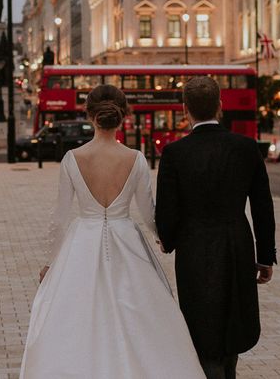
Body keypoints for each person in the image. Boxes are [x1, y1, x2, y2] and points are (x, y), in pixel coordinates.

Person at [20, 85, 205, 379]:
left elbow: (60, 217)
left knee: (76, 317)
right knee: (140, 316)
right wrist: (164, 238)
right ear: (123, 117)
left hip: (82, 241)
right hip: (126, 239)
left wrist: (49, 263)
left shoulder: (73, 158)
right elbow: (148, 212)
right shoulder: (135, 158)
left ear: (89, 115)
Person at [156, 76, 276, 379]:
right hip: (236, 242)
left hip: (194, 247)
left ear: (185, 110)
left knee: (201, 322)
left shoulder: (175, 153)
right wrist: (265, 255)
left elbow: (167, 210)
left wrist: (167, 240)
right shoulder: (246, 147)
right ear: (220, 106)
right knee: (233, 319)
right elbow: (262, 206)